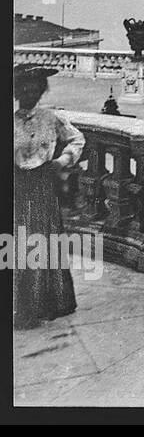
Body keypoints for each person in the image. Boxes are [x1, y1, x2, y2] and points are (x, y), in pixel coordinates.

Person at [13, 64, 85, 329]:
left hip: (43, 184)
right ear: (17, 90)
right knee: (20, 242)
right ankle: (23, 306)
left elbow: (78, 140)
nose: (28, 93)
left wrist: (63, 160)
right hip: (17, 185)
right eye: (23, 88)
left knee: (45, 241)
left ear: (41, 91)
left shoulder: (50, 118)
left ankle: (52, 301)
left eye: (34, 88)